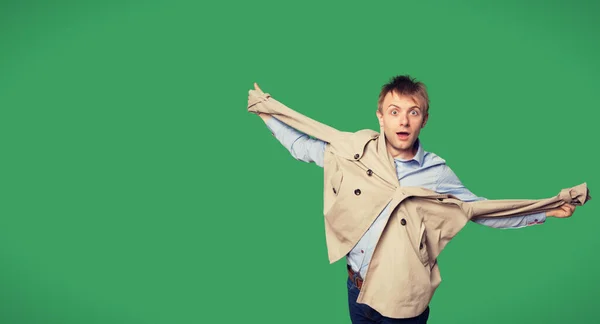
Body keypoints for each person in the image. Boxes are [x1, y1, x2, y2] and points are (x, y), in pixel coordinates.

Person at [251, 75, 576, 324]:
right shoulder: (355, 151)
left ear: (424, 119)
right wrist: (264, 112)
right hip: (356, 288)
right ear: (380, 116)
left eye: (413, 112)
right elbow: (303, 147)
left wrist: (544, 212)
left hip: (403, 299)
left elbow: (480, 210)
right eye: (394, 112)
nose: (403, 121)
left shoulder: (435, 173)